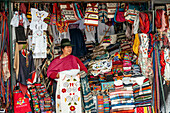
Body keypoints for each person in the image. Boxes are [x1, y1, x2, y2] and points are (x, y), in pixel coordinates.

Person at [47, 39, 87, 113]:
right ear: (62, 49)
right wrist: (58, 75)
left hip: (74, 89)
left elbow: (84, 69)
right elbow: (50, 73)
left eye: (70, 47)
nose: (69, 49)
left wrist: (79, 74)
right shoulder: (56, 61)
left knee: (75, 105)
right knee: (63, 105)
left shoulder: (74, 59)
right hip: (60, 86)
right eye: (67, 47)